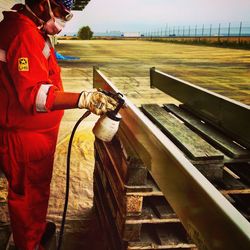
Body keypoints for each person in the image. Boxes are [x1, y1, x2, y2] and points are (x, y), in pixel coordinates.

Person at [0, 0, 117, 249]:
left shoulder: (32, 29)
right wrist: (83, 98)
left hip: (36, 133)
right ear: (44, 5)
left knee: (38, 189)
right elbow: (35, 95)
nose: (64, 20)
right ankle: (28, 245)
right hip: (25, 136)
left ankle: (36, 230)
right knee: (27, 195)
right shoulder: (23, 34)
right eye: (63, 13)